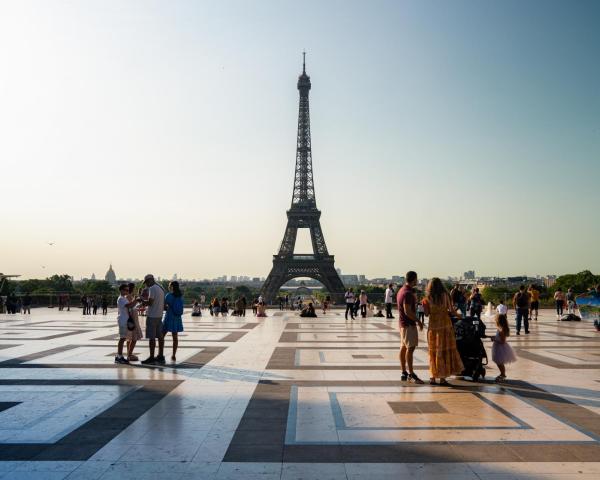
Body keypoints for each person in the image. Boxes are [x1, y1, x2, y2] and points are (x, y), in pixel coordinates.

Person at [422, 278, 464, 385]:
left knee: (434, 352)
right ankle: (442, 378)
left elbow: (426, 314)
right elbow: (451, 310)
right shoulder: (446, 296)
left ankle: (432, 377)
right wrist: (460, 316)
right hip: (445, 326)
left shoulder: (427, 298)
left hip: (433, 328)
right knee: (445, 351)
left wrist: (425, 306)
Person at [397, 271, 424, 384]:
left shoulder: (401, 290)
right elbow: (407, 310)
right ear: (414, 279)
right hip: (408, 324)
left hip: (403, 323)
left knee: (403, 347)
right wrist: (418, 321)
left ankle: (404, 372)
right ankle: (411, 374)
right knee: (410, 348)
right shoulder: (408, 293)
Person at [140, 274, 166, 365]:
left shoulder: (152, 288)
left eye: (146, 282)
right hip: (159, 315)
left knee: (151, 338)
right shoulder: (161, 288)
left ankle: (151, 357)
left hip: (152, 316)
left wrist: (142, 301)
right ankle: (161, 355)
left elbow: (150, 303)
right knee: (160, 337)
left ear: (150, 280)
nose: (146, 284)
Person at [115, 284, 138, 364]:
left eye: (128, 290)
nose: (127, 291)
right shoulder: (121, 299)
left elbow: (131, 306)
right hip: (123, 320)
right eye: (126, 290)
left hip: (124, 320)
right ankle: (119, 356)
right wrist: (136, 300)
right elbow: (130, 305)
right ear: (121, 290)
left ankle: (119, 356)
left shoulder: (123, 298)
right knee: (122, 339)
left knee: (123, 338)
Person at [490, 313, 517, 382]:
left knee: (499, 362)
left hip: (500, 347)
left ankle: (503, 374)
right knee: (498, 362)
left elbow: (502, 341)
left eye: (495, 320)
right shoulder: (500, 328)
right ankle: (502, 373)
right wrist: (494, 337)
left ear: (498, 321)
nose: (495, 321)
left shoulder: (501, 329)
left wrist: (494, 339)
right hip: (498, 346)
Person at [162, 281, 184, 362]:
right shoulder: (180, 296)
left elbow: (164, 306)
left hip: (169, 316)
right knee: (175, 337)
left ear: (172, 287)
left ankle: (160, 353)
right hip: (177, 317)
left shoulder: (168, 296)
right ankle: (174, 355)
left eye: (169, 285)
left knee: (162, 335)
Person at [125, 282, 143, 362]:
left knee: (129, 338)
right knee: (133, 338)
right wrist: (136, 300)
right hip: (132, 319)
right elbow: (131, 306)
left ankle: (129, 353)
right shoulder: (128, 296)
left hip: (131, 318)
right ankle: (129, 354)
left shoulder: (129, 296)